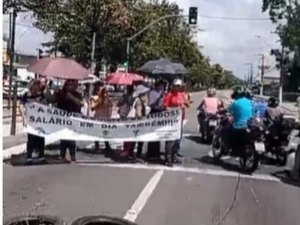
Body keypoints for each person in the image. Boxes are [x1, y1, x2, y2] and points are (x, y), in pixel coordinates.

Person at [19, 79, 47, 164]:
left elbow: (46, 105)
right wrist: (24, 118)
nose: (38, 87)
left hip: (40, 120)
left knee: (41, 137)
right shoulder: (26, 95)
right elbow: (20, 106)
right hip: (31, 121)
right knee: (31, 138)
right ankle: (29, 157)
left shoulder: (41, 95)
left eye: (39, 85)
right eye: (37, 85)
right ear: (32, 85)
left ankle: (41, 156)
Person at [118, 84, 150, 158]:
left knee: (129, 136)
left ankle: (127, 151)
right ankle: (132, 153)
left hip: (128, 120)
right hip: (135, 121)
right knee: (136, 138)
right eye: (144, 93)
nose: (145, 95)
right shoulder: (138, 101)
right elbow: (139, 114)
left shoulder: (132, 98)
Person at [55, 79, 83, 162]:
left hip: (73, 118)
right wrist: (55, 94)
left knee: (71, 137)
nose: (69, 86)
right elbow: (54, 101)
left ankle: (72, 155)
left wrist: (71, 97)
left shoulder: (77, 94)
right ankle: (62, 154)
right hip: (62, 118)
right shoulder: (61, 93)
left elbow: (80, 103)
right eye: (68, 85)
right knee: (63, 137)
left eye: (71, 84)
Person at [163, 79, 189, 166]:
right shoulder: (169, 95)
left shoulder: (181, 95)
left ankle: (174, 156)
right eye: (176, 86)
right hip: (171, 121)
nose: (177, 88)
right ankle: (168, 159)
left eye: (179, 86)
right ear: (173, 86)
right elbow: (165, 107)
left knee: (178, 140)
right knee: (170, 140)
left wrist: (183, 104)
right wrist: (174, 109)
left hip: (180, 120)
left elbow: (187, 104)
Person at [90, 81, 112, 153]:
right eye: (99, 86)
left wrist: (110, 113)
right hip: (98, 117)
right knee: (97, 132)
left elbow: (110, 105)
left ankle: (107, 146)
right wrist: (99, 102)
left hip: (106, 117)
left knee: (106, 132)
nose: (101, 88)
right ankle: (97, 146)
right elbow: (92, 108)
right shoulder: (94, 97)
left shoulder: (106, 96)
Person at [147, 81, 165, 160]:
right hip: (153, 112)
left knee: (158, 133)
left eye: (162, 86)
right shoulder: (152, 93)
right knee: (152, 133)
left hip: (160, 113)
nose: (161, 88)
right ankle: (150, 153)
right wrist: (158, 99)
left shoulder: (162, 93)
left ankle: (156, 152)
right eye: (160, 86)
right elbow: (151, 104)